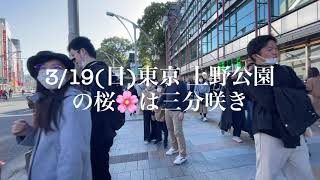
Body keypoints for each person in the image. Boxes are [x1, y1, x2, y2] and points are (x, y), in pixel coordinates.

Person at [12, 51, 92, 180]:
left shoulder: (71, 105)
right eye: (42, 68)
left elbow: (72, 158)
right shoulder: (50, 101)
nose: (49, 72)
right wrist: (28, 132)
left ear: (69, 75)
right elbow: (52, 142)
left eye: (56, 68)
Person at [245, 35, 314, 180]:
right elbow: (271, 101)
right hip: (269, 132)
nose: (275, 52)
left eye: (276, 48)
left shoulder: (286, 70)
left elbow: (302, 91)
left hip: (294, 131)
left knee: (304, 174)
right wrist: (296, 95)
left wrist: (288, 94)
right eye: (269, 49)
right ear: (255, 55)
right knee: (266, 175)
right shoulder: (257, 74)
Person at [68, 37, 125, 180]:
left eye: (73, 57)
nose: (74, 62)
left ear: (82, 52)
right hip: (102, 131)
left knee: (98, 172)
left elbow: (95, 104)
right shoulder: (101, 70)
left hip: (97, 133)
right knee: (99, 170)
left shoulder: (96, 71)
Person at [157, 66, 188, 165]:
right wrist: (157, 104)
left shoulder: (181, 84)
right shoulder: (169, 84)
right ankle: (175, 148)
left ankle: (183, 155)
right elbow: (164, 96)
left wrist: (182, 111)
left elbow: (185, 99)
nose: (169, 73)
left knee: (178, 132)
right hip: (167, 110)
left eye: (171, 72)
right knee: (170, 130)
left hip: (177, 111)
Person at [219, 74, 246, 143]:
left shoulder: (240, 85)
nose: (234, 77)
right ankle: (223, 128)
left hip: (238, 106)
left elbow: (244, 94)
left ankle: (236, 136)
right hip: (228, 107)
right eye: (233, 76)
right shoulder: (225, 86)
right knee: (227, 120)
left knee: (238, 121)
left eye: (236, 76)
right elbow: (221, 96)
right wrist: (223, 105)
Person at [154, 84, 169, 148]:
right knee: (158, 128)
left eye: (160, 87)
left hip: (163, 115)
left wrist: (164, 116)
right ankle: (159, 138)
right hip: (157, 114)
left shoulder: (165, 96)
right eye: (158, 87)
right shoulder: (156, 95)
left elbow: (166, 107)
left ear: (163, 88)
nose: (158, 88)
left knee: (165, 130)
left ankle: (165, 141)